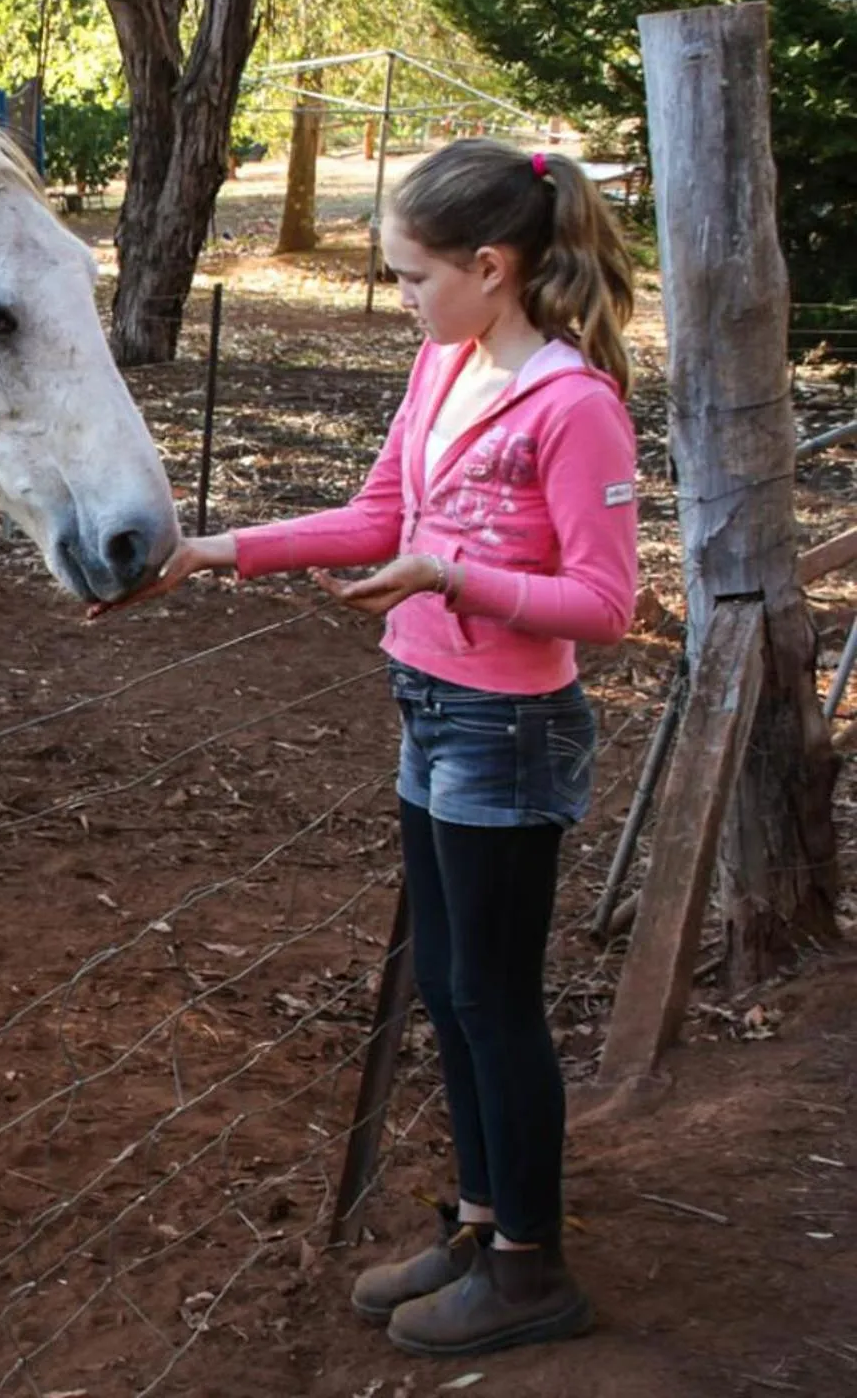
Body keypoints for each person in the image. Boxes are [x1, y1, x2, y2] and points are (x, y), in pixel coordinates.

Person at [99, 137, 639, 1356]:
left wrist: (457, 577)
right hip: (432, 712)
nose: (400, 297)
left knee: (496, 1003)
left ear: (491, 267)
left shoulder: (575, 406)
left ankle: (531, 1269)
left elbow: (607, 607)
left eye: (410, 276)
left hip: (507, 730)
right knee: (449, 992)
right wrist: (213, 553)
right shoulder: (442, 367)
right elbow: (379, 515)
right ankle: (487, 1223)